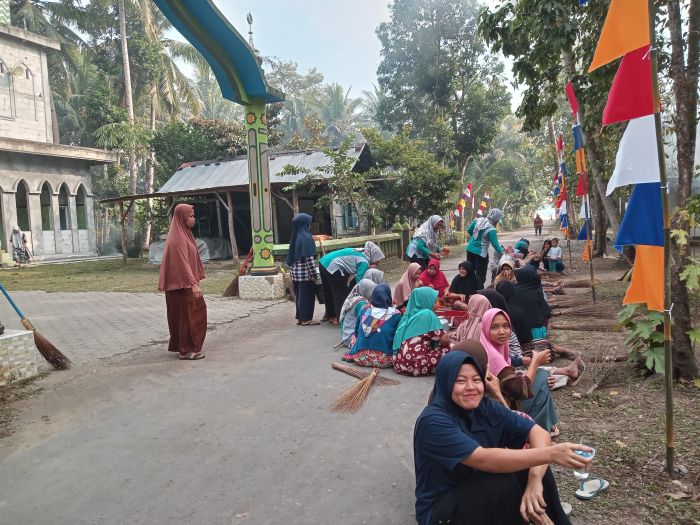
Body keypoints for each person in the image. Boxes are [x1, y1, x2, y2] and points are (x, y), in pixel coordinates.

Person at [413, 345, 590, 525]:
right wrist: (552, 454)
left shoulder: (486, 408)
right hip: (444, 511)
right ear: (446, 382)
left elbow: (539, 433)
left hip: (480, 488)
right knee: (500, 483)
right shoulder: (433, 422)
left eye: (476, 379)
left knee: (532, 466)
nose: (470, 387)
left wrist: (534, 481)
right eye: (460, 381)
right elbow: (483, 459)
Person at [480, 308, 560, 434]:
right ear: (485, 329)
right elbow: (519, 391)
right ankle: (535, 431)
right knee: (542, 376)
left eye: (506, 326)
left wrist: (526, 371)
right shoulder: (492, 356)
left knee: (542, 377)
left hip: (500, 402)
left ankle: (545, 427)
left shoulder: (490, 347)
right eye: (494, 327)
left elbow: (508, 377)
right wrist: (535, 361)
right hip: (500, 409)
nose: (502, 331)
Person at [158, 204, 207, 361]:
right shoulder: (178, 239)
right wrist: (193, 284)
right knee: (191, 316)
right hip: (182, 285)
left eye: (193, 216)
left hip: (182, 284)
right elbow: (182, 263)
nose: (194, 219)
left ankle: (184, 348)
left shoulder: (184, 234)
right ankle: (188, 350)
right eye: (191, 216)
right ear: (182, 217)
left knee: (185, 317)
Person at [319, 242, 385, 325]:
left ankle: (330, 316)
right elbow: (360, 280)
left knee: (329, 292)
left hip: (323, 262)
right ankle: (340, 318)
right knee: (341, 293)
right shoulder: (364, 261)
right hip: (334, 266)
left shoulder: (360, 252)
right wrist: (359, 294)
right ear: (373, 256)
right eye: (377, 260)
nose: (377, 263)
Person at [392, 287, 452, 376]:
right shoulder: (427, 313)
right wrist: (449, 336)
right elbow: (445, 340)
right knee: (451, 349)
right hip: (414, 366)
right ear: (425, 300)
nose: (437, 305)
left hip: (398, 364)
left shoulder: (407, 316)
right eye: (435, 302)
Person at [343, 284, 402, 368]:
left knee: (355, 336)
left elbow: (356, 333)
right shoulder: (395, 314)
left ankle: (354, 352)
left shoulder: (364, 309)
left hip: (361, 358)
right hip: (385, 361)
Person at [286, 213, 321, 326]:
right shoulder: (306, 237)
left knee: (300, 296)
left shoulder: (295, 236)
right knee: (307, 296)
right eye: (308, 222)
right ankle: (306, 319)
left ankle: (300, 318)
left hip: (295, 273)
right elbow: (309, 258)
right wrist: (314, 274)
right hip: (305, 273)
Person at [338, 270, 383, 347]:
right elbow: (369, 323)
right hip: (351, 338)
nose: (373, 294)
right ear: (366, 290)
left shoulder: (354, 298)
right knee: (380, 338)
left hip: (346, 335)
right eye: (372, 291)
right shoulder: (361, 303)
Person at [466, 209, 505, 287]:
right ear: (495, 218)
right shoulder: (491, 229)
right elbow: (495, 245)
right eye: (498, 220)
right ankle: (478, 293)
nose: (498, 222)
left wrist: (474, 238)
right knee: (480, 276)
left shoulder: (478, 220)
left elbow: (469, 230)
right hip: (480, 254)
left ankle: (468, 290)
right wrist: (504, 254)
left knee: (470, 272)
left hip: (469, 250)